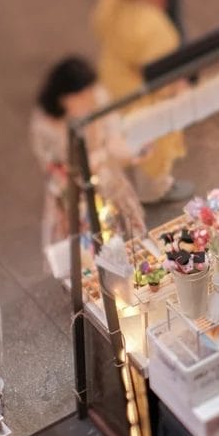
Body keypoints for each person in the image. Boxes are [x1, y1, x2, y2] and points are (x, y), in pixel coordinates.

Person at [29, 57, 146, 274]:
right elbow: (49, 164)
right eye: (81, 96)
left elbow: (114, 134)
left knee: (125, 236)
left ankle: (130, 270)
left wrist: (131, 153)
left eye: (89, 92)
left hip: (106, 177)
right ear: (63, 98)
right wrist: (76, 171)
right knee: (85, 247)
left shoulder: (98, 97)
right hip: (72, 188)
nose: (88, 99)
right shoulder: (45, 125)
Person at [92, 0, 192, 204]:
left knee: (126, 135)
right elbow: (162, 76)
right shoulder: (151, 27)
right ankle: (155, 190)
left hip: (113, 76)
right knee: (153, 147)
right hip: (142, 94)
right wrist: (179, 89)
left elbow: (98, 24)